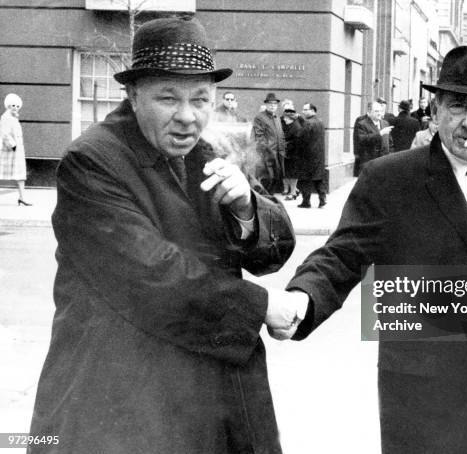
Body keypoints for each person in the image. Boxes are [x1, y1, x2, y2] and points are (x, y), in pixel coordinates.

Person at [28, 17, 304, 454]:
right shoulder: (91, 162)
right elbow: (152, 276)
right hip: (121, 404)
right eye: (168, 98)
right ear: (133, 95)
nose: (187, 117)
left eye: (201, 99)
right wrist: (262, 305)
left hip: (213, 399)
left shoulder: (206, 149)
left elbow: (276, 247)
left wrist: (247, 209)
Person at [276, 46, 467, 453]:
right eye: (457, 106)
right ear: (435, 109)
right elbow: (342, 254)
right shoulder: (391, 179)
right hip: (426, 401)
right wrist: (303, 298)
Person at [0, 93, 31, 206]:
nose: (15, 108)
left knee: (20, 174)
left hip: (16, 151)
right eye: (13, 105)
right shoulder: (6, 117)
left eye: (17, 106)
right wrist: (13, 146)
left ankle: (22, 197)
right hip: (8, 151)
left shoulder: (13, 117)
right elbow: (4, 134)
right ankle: (22, 197)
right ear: (8, 105)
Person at [252, 92, 286, 193]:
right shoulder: (260, 117)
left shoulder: (277, 118)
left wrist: (283, 148)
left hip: (279, 154)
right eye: (270, 104)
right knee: (267, 180)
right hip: (267, 155)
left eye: (275, 104)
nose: (272, 106)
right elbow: (259, 136)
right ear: (266, 105)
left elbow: (280, 134)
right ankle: (265, 201)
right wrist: (267, 150)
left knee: (276, 179)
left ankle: (270, 200)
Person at [295, 103, 326, 208]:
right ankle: (322, 199)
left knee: (305, 180)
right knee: (318, 179)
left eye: (305, 109)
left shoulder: (308, 123)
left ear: (313, 110)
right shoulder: (320, 122)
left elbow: (301, 137)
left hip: (307, 156)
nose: (303, 111)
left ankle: (306, 202)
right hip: (319, 156)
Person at [353, 101, 393, 176]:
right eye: (376, 111)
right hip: (369, 162)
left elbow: (390, 143)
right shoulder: (362, 124)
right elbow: (363, 140)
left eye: (381, 111)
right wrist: (380, 133)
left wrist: (390, 156)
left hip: (384, 161)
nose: (379, 113)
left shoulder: (385, 123)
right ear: (369, 112)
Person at [280, 99, 303, 200]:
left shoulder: (296, 122)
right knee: (287, 171)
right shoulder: (283, 120)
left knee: (292, 172)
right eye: (285, 109)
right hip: (287, 150)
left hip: (293, 151)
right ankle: (290, 190)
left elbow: (297, 137)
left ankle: (293, 191)